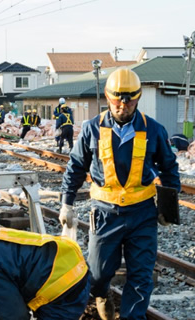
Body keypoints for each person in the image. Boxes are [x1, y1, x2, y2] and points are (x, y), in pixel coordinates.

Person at [60, 68, 180, 320]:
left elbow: (169, 168)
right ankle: (102, 295)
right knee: (98, 273)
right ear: (107, 96)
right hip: (105, 213)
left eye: (129, 100)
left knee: (141, 275)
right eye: (117, 99)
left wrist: (168, 208)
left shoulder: (154, 130)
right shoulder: (92, 128)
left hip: (142, 214)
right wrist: (66, 203)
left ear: (137, 99)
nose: (123, 105)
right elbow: (76, 166)